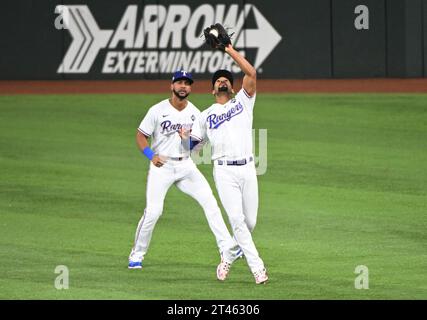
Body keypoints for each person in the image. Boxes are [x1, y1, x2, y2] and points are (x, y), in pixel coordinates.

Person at [128, 70, 238, 270]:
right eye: (179, 83)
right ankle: (137, 254)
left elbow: (196, 147)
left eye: (187, 84)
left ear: (190, 88)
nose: (183, 86)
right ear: (172, 86)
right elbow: (140, 136)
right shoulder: (157, 110)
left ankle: (227, 248)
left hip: (186, 165)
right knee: (153, 212)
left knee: (210, 202)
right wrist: (151, 156)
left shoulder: (195, 113)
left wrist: (187, 139)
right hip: (162, 167)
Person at [195, 44, 268, 284]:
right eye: (218, 81)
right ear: (212, 89)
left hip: (248, 168)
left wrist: (228, 49)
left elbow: (252, 73)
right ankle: (258, 268)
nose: (222, 82)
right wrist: (185, 138)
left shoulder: (243, 103)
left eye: (226, 79)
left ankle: (228, 255)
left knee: (250, 223)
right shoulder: (205, 115)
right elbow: (193, 147)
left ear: (233, 86)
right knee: (237, 221)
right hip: (224, 171)